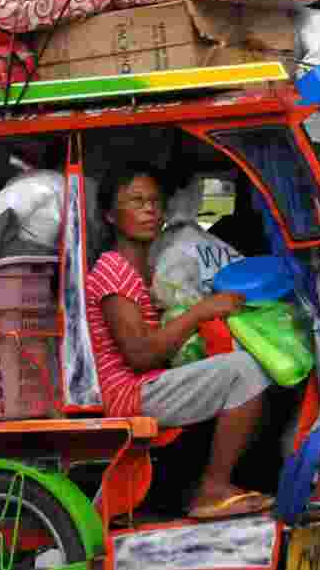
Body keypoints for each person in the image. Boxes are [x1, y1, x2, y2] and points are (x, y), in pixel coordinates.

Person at [86, 161, 274, 520]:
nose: (149, 210)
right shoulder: (113, 269)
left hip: (146, 383)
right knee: (245, 371)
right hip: (128, 393)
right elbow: (140, 355)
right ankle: (213, 488)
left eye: (154, 203)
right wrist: (201, 312)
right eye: (136, 202)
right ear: (110, 215)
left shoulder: (148, 269)